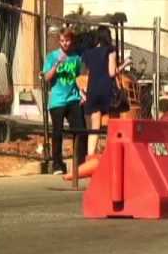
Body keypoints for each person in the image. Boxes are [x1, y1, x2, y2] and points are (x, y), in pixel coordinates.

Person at [80, 26, 131, 155]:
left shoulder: (88, 53)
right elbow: (111, 73)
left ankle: (90, 155)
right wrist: (125, 64)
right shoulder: (110, 50)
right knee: (112, 123)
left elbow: (87, 72)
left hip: (93, 90)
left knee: (94, 126)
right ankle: (111, 154)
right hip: (107, 90)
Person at [43, 28, 87, 175]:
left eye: (67, 40)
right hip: (57, 100)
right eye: (62, 41)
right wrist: (56, 65)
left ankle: (80, 163)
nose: (65, 44)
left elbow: (77, 78)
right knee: (57, 132)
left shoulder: (76, 58)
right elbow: (46, 78)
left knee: (80, 130)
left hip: (73, 98)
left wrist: (82, 93)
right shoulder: (52, 56)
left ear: (71, 40)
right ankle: (57, 164)